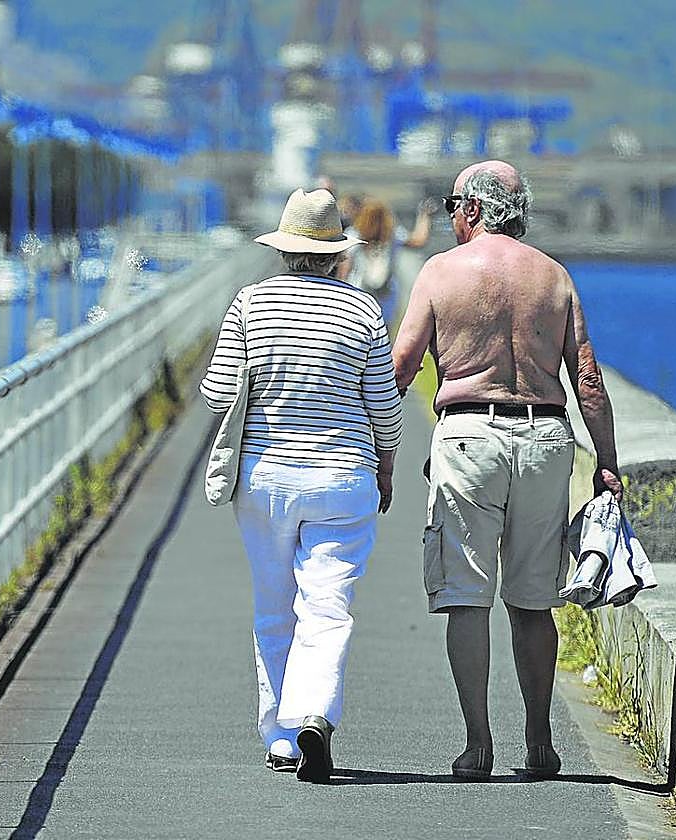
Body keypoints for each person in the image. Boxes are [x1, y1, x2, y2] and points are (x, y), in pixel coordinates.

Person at [391, 160, 623, 781]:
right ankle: (541, 742)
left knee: (467, 598)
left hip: (468, 436)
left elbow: (402, 364)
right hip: (547, 438)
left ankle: (478, 745)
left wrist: (383, 445)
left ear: (469, 209)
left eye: (450, 207)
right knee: (532, 601)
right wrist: (607, 462)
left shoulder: (442, 272)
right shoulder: (554, 277)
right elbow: (589, 380)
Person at [200, 188, 403, 783]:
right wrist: (385, 465)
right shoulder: (363, 311)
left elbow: (217, 394)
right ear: (337, 252)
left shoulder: (249, 305)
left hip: (264, 480)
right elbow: (385, 409)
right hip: (343, 478)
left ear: (285, 248)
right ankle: (316, 711)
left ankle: (282, 738)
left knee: (274, 606)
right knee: (328, 605)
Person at [340, 196, 437, 297]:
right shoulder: (391, 235)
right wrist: (424, 216)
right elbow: (418, 240)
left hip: (358, 294)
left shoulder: (354, 235)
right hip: (374, 294)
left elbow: (344, 268)